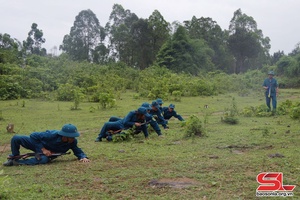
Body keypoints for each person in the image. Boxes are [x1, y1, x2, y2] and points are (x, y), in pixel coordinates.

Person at [3, 124, 90, 166]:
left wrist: (83, 156)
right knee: (16, 138)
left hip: (49, 154)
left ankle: (16, 162)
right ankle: (15, 156)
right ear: (65, 136)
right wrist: (43, 149)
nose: (73, 138)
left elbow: (76, 150)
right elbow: (33, 135)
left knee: (43, 160)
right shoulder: (52, 134)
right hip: (38, 145)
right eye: (71, 137)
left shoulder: (72, 142)